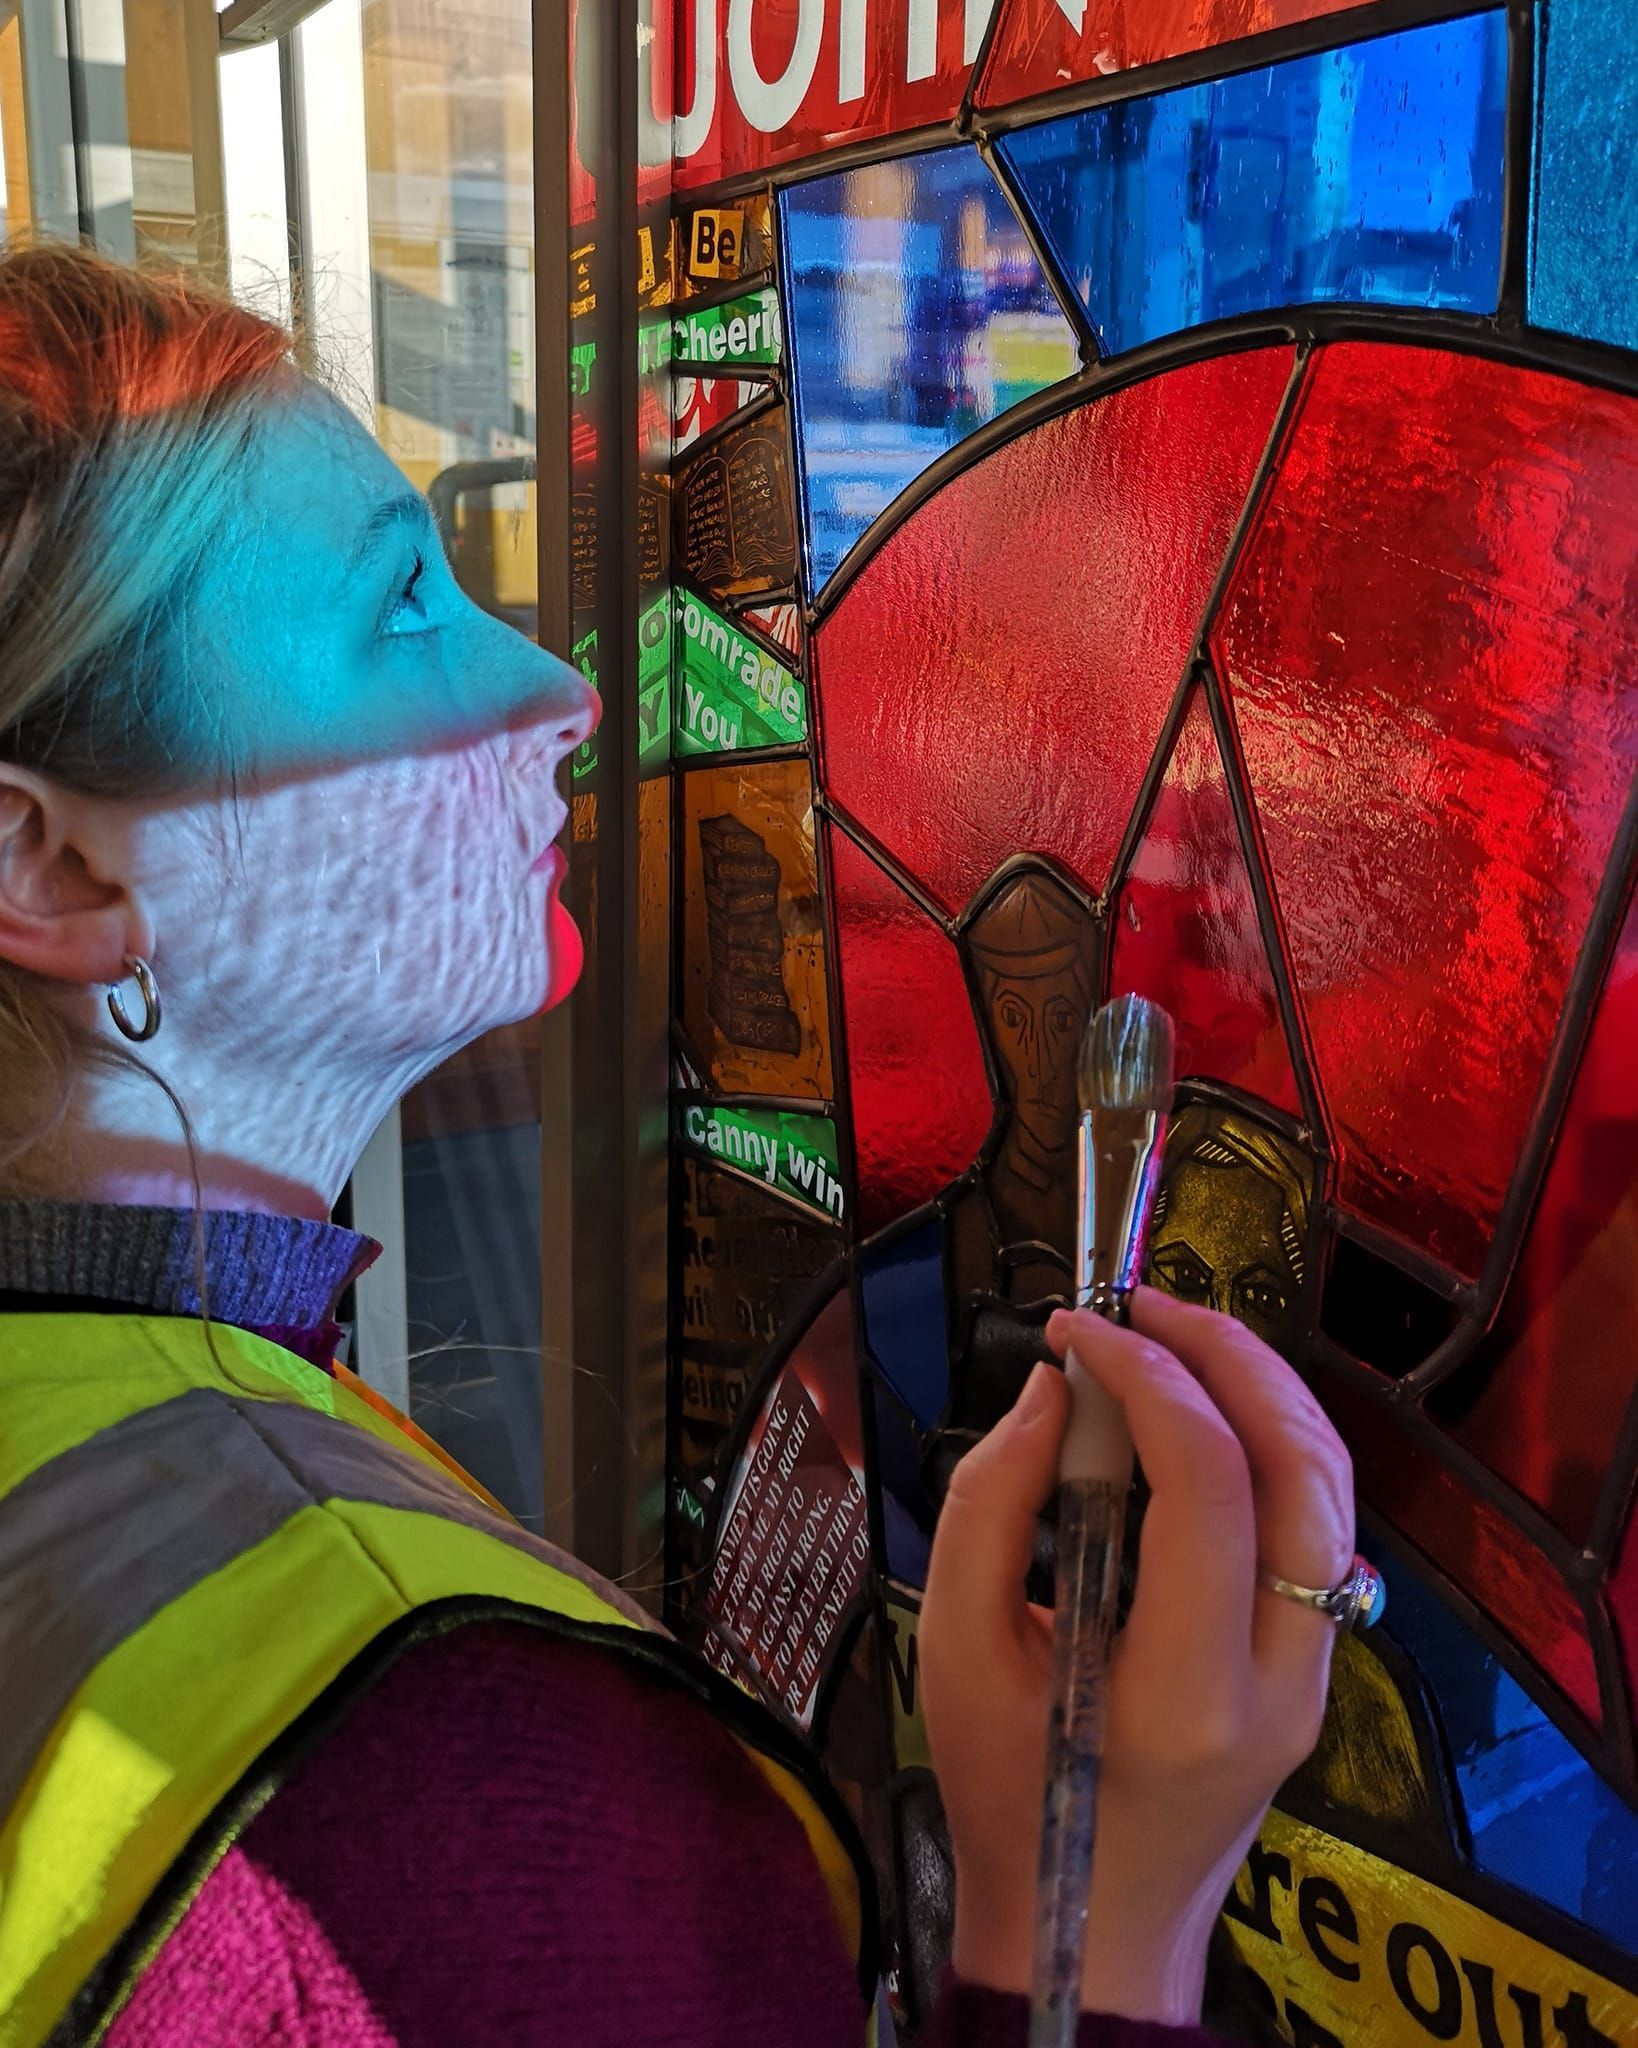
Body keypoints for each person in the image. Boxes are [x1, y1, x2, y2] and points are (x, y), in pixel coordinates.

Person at [0, 246, 1357, 2047]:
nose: (557, 692)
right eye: (401, 608)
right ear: (52, 869)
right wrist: (1091, 1934)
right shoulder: (462, 1804)